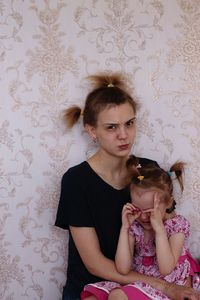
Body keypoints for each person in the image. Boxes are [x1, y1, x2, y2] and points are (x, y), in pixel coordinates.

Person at [55, 73, 200, 300]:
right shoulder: (76, 181)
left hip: (147, 285)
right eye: (112, 127)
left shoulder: (149, 170)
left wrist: (182, 280)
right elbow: (94, 264)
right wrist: (163, 287)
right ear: (92, 131)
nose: (124, 135)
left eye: (129, 124)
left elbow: (173, 233)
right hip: (93, 287)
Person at [82, 157, 200, 299]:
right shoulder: (135, 227)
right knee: (95, 297)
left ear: (168, 203)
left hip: (171, 286)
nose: (143, 218)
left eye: (150, 212)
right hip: (142, 283)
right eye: (138, 210)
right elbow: (123, 268)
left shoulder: (176, 226)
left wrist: (159, 231)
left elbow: (166, 268)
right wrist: (125, 228)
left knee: (118, 295)